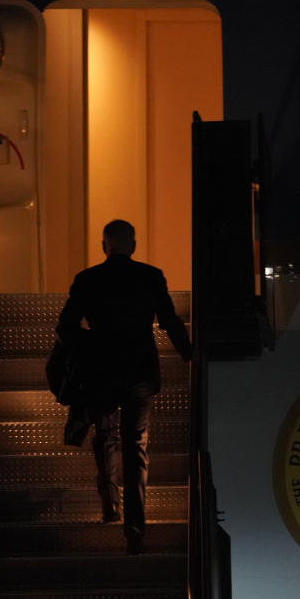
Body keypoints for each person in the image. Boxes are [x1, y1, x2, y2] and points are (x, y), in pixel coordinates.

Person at [56, 219, 192, 554]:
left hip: (102, 371)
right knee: (136, 446)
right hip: (140, 371)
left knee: (106, 436)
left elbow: (65, 326)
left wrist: (89, 344)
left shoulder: (87, 280)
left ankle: (110, 499)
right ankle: (135, 528)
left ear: (105, 246)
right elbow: (170, 320)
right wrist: (190, 354)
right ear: (133, 245)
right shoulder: (151, 276)